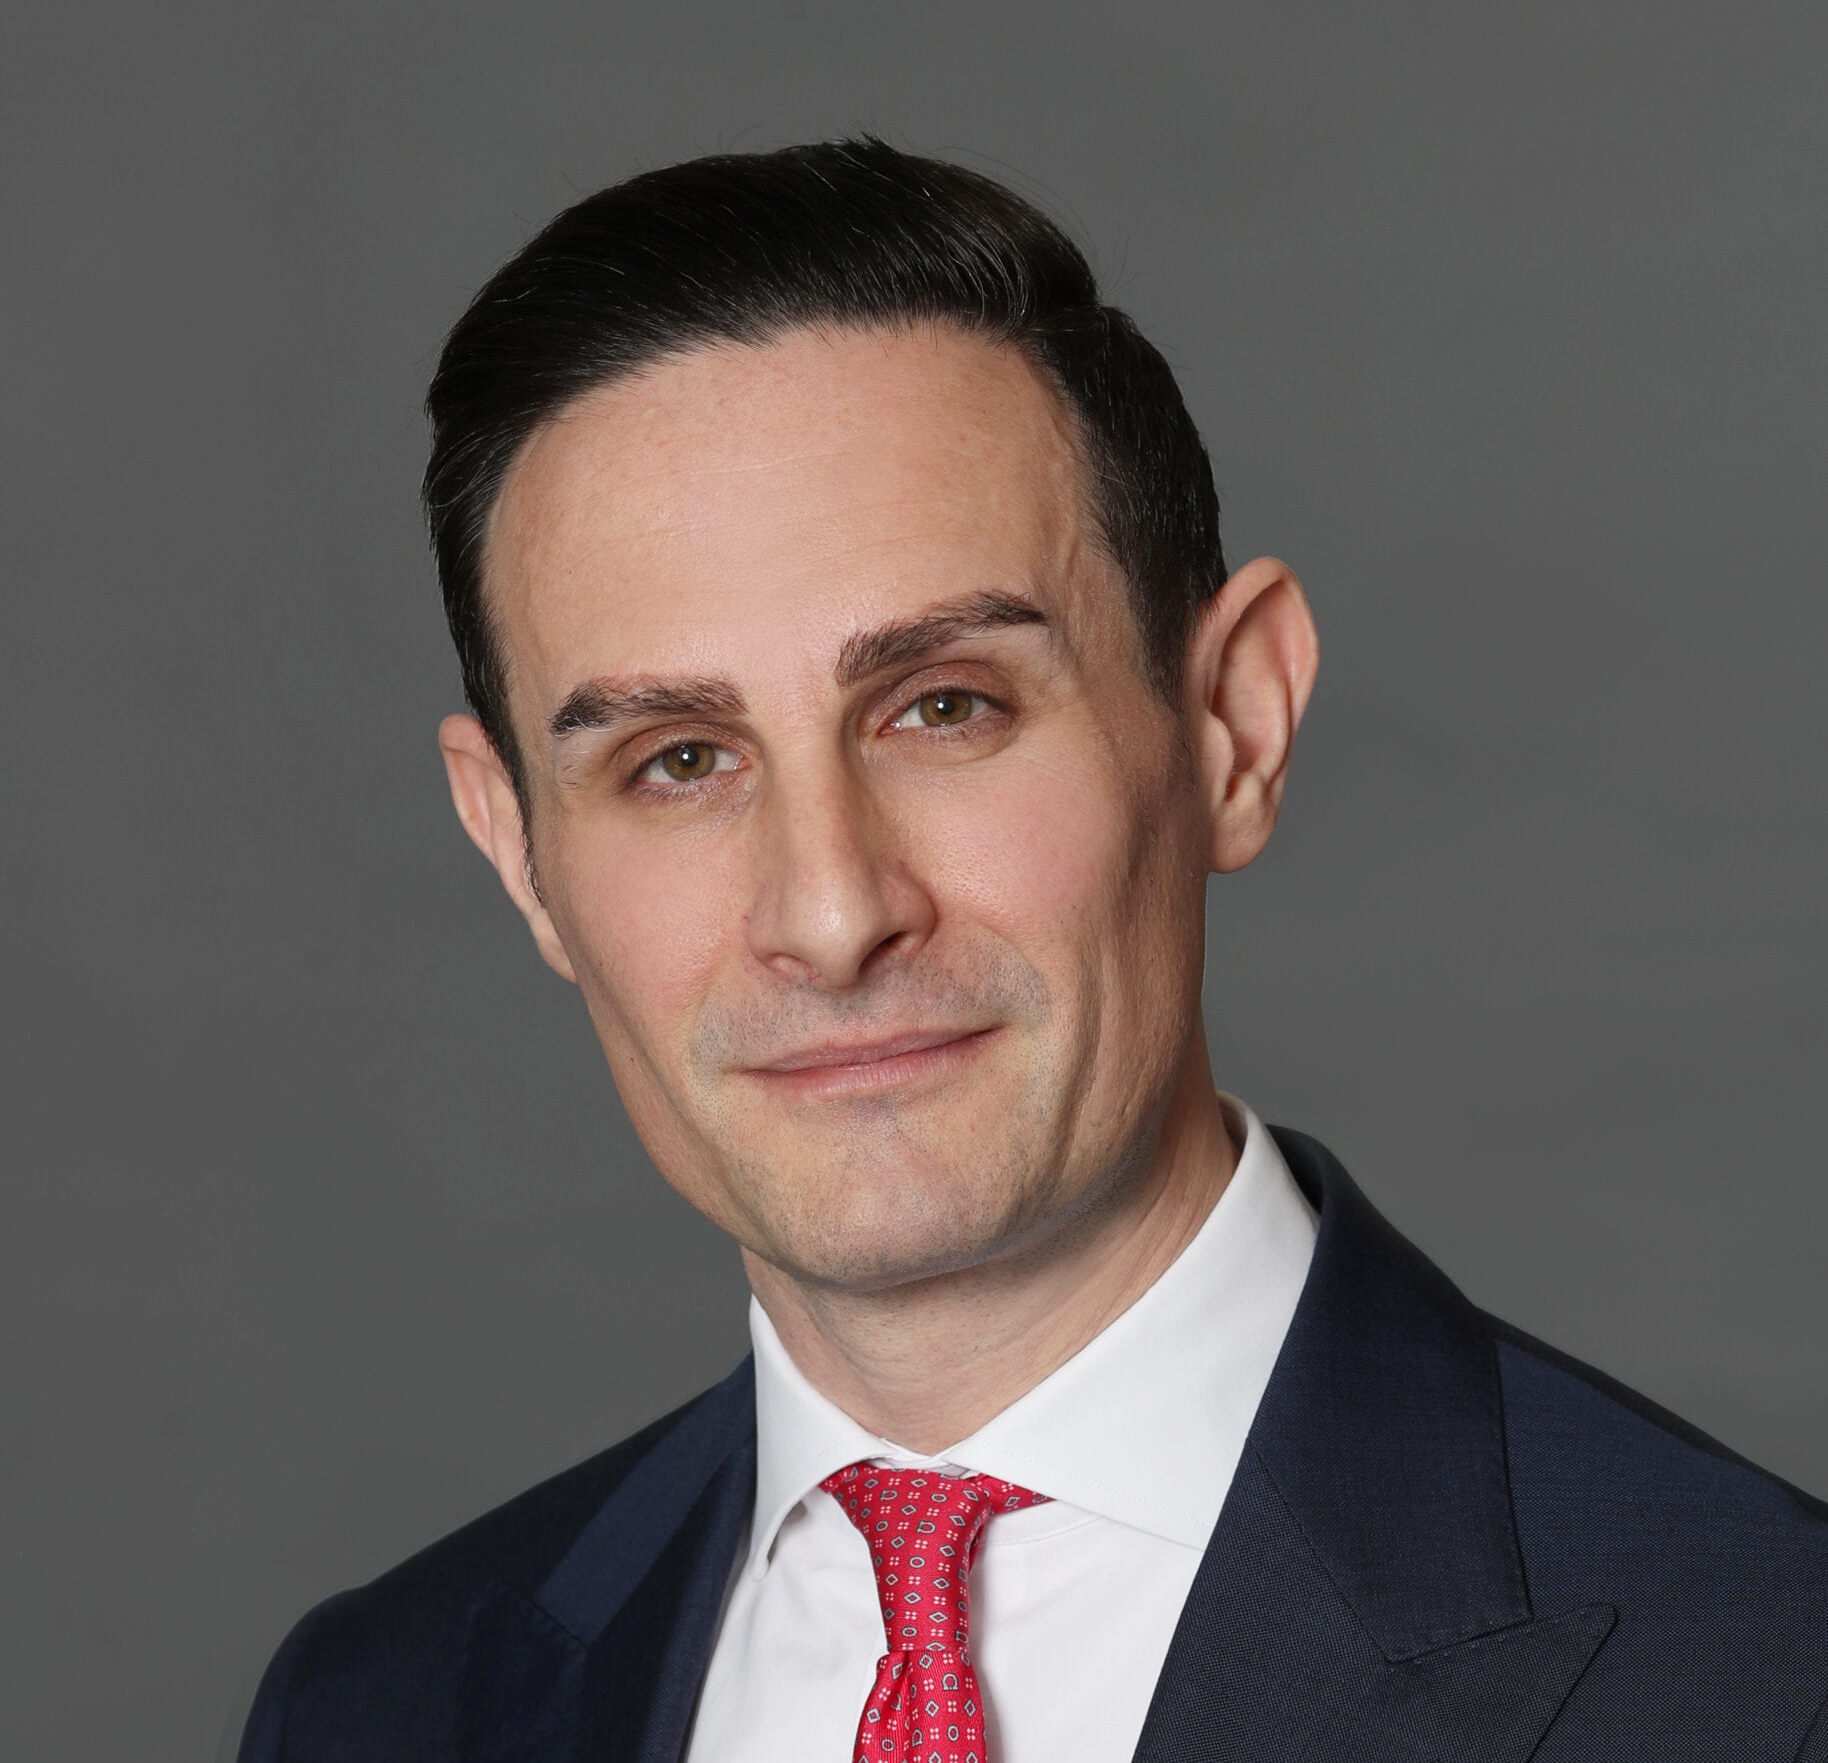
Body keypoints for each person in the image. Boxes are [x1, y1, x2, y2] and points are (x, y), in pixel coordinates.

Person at [239, 137, 1828, 1762]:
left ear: (1233, 724)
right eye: (678, 760)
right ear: (517, 849)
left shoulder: (1772, 1676)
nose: (832, 915)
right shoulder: (376, 1710)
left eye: (946, 707)